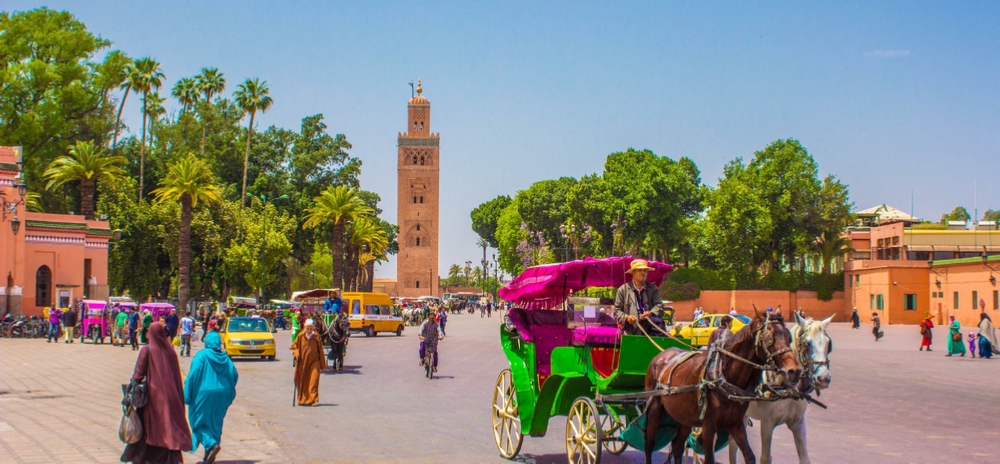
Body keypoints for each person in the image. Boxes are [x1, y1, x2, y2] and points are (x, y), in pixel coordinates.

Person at [121, 322, 193, 464]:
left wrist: (130, 389)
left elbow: (138, 375)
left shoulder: (147, 350)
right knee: (169, 428)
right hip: (172, 398)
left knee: (151, 429)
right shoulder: (170, 351)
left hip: (153, 399)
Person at [184, 331, 238, 464]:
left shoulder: (201, 356)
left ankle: (212, 445)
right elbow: (234, 375)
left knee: (197, 422)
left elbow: (192, 376)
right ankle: (208, 454)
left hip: (204, 394)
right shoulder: (225, 358)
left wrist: (187, 395)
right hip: (223, 394)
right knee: (215, 422)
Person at [613, 259, 665, 336]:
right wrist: (627, 318)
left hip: (651, 332)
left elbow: (659, 306)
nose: (643, 273)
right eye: (640, 270)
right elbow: (617, 311)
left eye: (645, 270)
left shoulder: (653, 288)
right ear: (633, 273)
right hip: (631, 332)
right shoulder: (623, 290)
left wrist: (650, 313)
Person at [290, 319, 326, 406]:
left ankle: (312, 400)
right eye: (307, 328)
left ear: (313, 328)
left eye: (311, 328)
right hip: (303, 362)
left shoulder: (316, 337)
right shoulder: (300, 336)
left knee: (314, 380)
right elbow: (294, 346)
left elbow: (320, 351)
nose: (309, 330)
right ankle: (302, 399)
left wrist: (322, 364)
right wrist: (296, 353)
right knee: (302, 380)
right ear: (305, 328)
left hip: (314, 362)